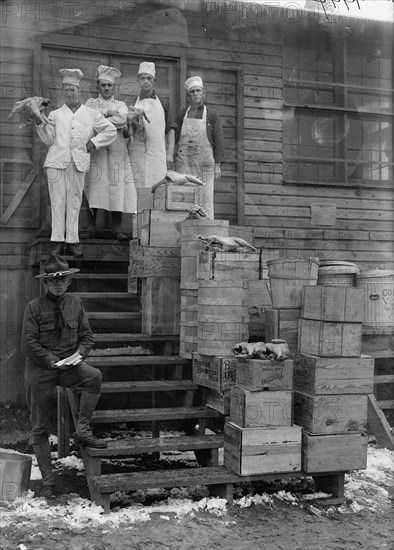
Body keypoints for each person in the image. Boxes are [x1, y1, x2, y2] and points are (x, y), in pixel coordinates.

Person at [21, 253, 107, 498]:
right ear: (45, 283)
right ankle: (48, 480)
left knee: (94, 377)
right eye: (53, 280)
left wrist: (80, 354)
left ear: (69, 282)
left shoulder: (76, 303)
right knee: (39, 426)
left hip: (69, 367)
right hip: (41, 370)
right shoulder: (33, 308)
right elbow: (28, 343)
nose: (58, 284)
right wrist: (50, 360)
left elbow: (87, 336)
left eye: (63, 279)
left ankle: (83, 430)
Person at [35, 68, 117, 256]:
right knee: (57, 201)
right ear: (63, 91)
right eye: (66, 89)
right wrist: (40, 122)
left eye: (73, 89)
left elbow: (110, 130)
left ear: (79, 90)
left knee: (74, 201)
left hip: (78, 162)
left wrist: (94, 143)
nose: (70, 93)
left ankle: (71, 241)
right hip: (56, 163)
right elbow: (48, 140)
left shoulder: (90, 113)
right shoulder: (55, 114)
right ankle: (57, 241)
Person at [83, 65, 137, 240]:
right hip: (97, 152)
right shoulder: (91, 103)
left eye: (109, 85)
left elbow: (122, 120)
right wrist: (107, 112)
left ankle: (117, 229)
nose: (106, 88)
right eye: (103, 85)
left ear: (114, 87)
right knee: (94, 187)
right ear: (98, 86)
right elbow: (87, 117)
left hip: (116, 151)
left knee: (117, 188)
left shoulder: (120, 105)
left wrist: (100, 120)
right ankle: (91, 227)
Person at [174, 76, 225, 219]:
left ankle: (206, 232)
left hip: (205, 164)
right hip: (184, 164)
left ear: (203, 93)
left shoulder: (212, 115)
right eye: (193, 92)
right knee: (183, 198)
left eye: (198, 91)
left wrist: (218, 165)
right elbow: (174, 138)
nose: (196, 94)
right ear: (189, 96)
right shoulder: (182, 114)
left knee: (206, 199)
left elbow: (219, 140)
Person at [128, 61, 176, 188]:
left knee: (158, 190)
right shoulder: (133, 103)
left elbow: (171, 129)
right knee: (138, 190)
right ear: (138, 80)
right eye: (142, 78)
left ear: (154, 81)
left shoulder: (164, 104)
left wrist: (170, 154)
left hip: (157, 155)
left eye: (149, 78)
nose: (146, 81)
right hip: (137, 156)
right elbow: (128, 132)